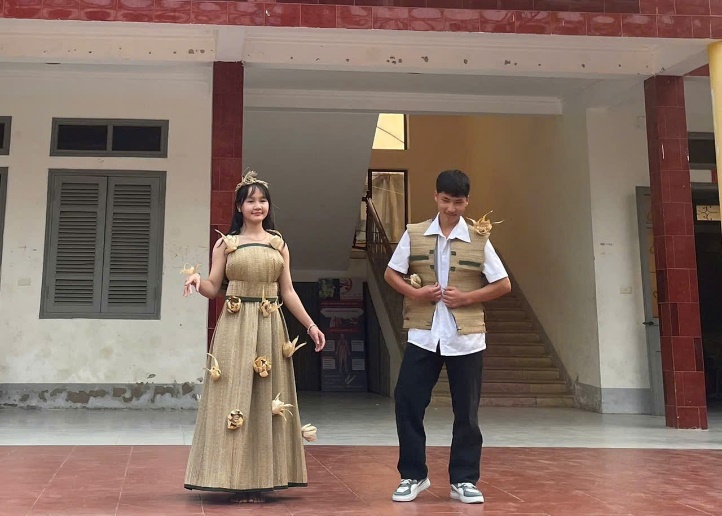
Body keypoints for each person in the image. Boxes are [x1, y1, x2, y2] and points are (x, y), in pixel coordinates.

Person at [182, 170, 325, 503]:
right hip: (235, 326)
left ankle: (263, 478)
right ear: (239, 206)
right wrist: (197, 282)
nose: (257, 206)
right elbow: (213, 287)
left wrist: (310, 325)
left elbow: (288, 291)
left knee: (266, 399)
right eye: (250, 201)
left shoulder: (279, 244)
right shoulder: (225, 244)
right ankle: (233, 478)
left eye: (262, 200)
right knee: (233, 396)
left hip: (270, 326)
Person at [384, 169, 511, 505]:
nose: (451, 208)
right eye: (446, 200)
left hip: (465, 338)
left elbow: (503, 283)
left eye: (458, 202)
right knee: (408, 400)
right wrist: (417, 294)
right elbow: (391, 273)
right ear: (435, 197)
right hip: (423, 334)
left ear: (467, 202)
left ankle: (464, 479)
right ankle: (413, 475)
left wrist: (467, 298)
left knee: (466, 410)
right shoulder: (414, 233)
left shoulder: (479, 238)